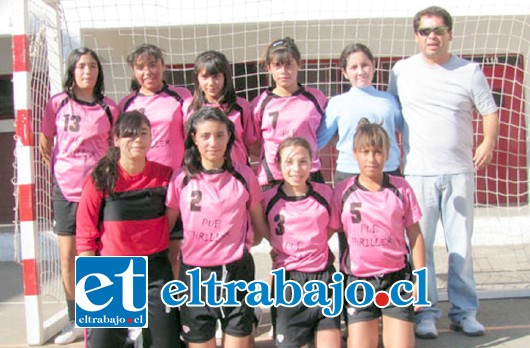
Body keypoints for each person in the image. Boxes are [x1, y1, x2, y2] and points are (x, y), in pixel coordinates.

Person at [387, 5, 499, 338]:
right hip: (418, 174)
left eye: (438, 30)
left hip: (460, 172)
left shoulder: (470, 71)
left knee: (460, 246)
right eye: (425, 31)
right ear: (416, 36)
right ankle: (425, 313)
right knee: (422, 248)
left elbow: (489, 111)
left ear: (450, 33)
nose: (432, 36)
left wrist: (488, 142)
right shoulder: (401, 71)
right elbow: (390, 113)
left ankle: (464, 312)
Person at [165, 107, 269, 348]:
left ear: (229, 137)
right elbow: (167, 228)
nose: (214, 142)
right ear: (194, 138)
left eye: (220, 135)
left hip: (237, 273)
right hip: (195, 277)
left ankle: (249, 315)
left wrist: (235, 245)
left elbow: (260, 228)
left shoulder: (244, 176)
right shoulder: (181, 178)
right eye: (206, 135)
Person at [76, 111, 181, 348]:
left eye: (143, 133)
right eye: (129, 134)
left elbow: (175, 231)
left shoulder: (165, 176)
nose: (137, 140)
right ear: (116, 140)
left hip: (154, 270)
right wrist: (91, 289)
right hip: (111, 272)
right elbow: (85, 237)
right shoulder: (100, 179)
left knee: (167, 343)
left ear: (152, 138)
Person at [39, 47, 119, 345]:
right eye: (82, 66)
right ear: (72, 70)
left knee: (104, 254)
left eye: (93, 67)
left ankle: (108, 319)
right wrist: (64, 172)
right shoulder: (56, 103)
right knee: (68, 256)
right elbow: (46, 144)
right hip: (66, 191)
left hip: (99, 191)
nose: (88, 71)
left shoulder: (109, 107)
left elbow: (114, 148)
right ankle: (75, 318)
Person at [330, 118, 426, 348]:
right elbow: (325, 232)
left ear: (388, 154)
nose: (371, 159)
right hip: (358, 282)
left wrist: (420, 281)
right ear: (355, 153)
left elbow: (415, 236)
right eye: (365, 152)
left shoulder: (401, 188)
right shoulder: (343, 191)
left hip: (396, 278)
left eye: (378, 152)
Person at [263, 137, 341, 348]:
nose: (296, 168)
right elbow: (263, 230)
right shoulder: (268, 199)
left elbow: (331, 227)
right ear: (278, 165)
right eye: (289, 162)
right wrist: (280, 248)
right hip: (288, 283)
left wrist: (311, 246)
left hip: (324, 280)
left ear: (313, 163)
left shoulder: (325, 194)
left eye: (303, 162)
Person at [317, 42, 403, 182]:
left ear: (373, 66)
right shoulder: (337, 103)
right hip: (349, 173)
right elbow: (319, 139)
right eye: (353, 67)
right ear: (345, 72)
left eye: (365, 65)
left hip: (388, 170)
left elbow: (406, 131)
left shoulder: (389, 100)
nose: (360, 71)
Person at [252, 37, 327, 187]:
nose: (284, 71)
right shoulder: (259, 104)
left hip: (308, 174)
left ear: (299, 64)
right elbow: (253, 144)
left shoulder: (316, 99)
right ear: (269, 68)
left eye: (289, 65)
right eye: (277, 65)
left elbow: (326, 132)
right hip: (274, 178)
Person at [119, 43, 192, 171]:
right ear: (134, 71)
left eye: (152, 65)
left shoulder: (182, 96)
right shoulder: (126, 104)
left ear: (163, 66)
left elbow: (192, 134)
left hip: (174, 175)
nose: (147, 72)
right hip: (141, 177)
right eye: (140, 67)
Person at [183, 50, 258, 165]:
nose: (211, 83)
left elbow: (252, 145)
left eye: (216, 76)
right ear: (197, 78)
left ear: (226, 77)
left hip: (236, 172)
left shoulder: (241, 106)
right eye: (205, 77)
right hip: (202, 174)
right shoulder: (189, 107)